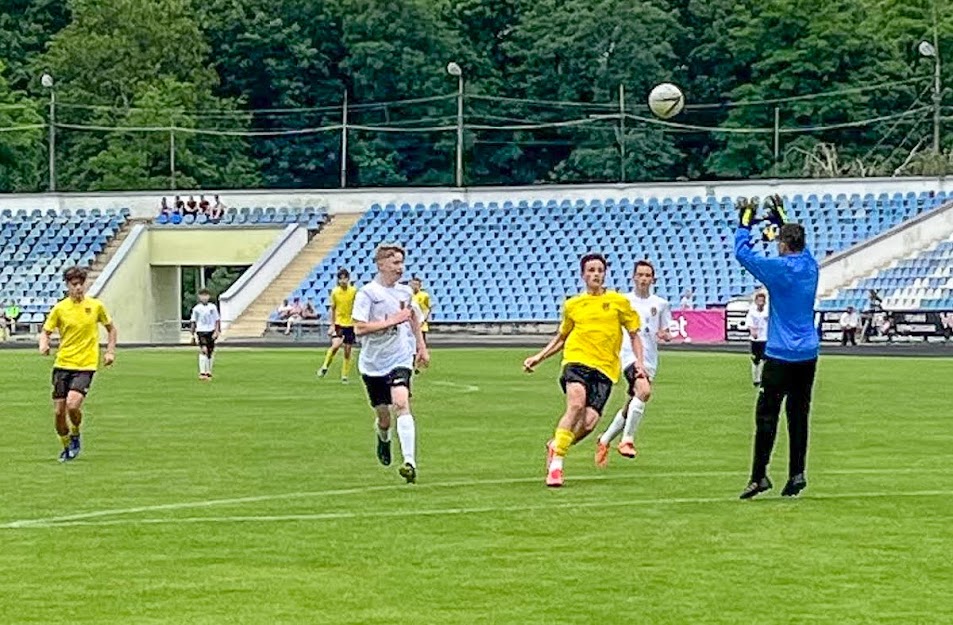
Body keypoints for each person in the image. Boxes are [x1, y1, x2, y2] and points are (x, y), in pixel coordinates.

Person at [523, 253, 646, 488]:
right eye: (591, 270)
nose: (595, 274)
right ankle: (556, 466)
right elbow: (562, 337)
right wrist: (539, 357)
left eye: (599, 270)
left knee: (589, 423)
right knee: (576, 404)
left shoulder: (618, 302)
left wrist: (639, 362)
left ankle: (556, 445)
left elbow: (634, 335)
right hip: (576, 361)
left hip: (606, 370)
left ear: (605, 274)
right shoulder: (573, 305)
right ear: (583, 275)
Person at [734, 195, 819, 499]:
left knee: (767, 415)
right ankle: (797, 473)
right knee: (798, 415)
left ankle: (759, 476)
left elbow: (742, 254)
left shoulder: (778, 268)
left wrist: (745, 220)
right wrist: (780, 215)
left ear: (783, 245)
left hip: (781, 353)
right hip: (808, 353)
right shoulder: (811, 264)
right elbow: (794, 237)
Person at [352, 244, 429, 483]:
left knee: (401, 402)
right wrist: (390, 321)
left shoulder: (405, 293)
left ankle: (409, 462)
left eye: (401, 263)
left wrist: (421, 346)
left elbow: (413, 317)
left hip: (400, 356)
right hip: (373, 363)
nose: (400, 268)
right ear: (381, 264)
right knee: (384, 416)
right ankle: (383, 437)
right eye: (395, 263)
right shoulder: (368, 294)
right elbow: (359, 328)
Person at [594, 260, 671, 466]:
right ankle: (627, 440)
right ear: (634, 277)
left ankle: (604, 440)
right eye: (641, 275)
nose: (644, 279)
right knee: (644, 392)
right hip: (629, 355)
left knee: (632, 404)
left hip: (650, 359)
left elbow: (665, 329)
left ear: (653, 279)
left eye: (648, 275)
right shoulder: (623, 301)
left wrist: (665, 334)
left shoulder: (661, 304)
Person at [38, 266, 117, 462]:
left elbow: (111, 329)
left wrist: (110, 351)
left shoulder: (96, 306)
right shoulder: (60, 308)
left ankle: (75, 434)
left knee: (73, 406)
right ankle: (66, 447)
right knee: (58, 412)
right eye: (75, 285)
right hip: (63, 363)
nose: (79, 288)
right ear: (67, 286)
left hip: (85, 364)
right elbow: (46, 331)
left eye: (81, 284)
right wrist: (44, 344)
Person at [319, 268, 358, 382]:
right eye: (340, 279)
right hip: (339, 323)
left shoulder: (354, 291)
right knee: (336, 345)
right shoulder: (335, 292)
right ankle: (325, 366)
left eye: (344, 278)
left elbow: (357, 307)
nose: (343, 281)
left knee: (347, 351)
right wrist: (332, 325)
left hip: (350, 324)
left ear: (348, 279)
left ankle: (344, 375)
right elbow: (333, 308)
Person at [190, 289, 221, 380]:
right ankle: (202, 372)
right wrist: (192, 334)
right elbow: (193, 321)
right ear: (199, 297)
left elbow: (217, 320)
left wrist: (216, 331)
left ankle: (208, 371)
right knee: (204, 350)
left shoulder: (212, 307)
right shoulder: (196, 308)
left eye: (206, 295)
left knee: (210, 351)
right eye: (202, 295)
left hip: (210, 330)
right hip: (201, 331)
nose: (204, 297)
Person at [746, 291, 769, 386]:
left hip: (765, 338)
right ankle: (756, 379)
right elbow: (749, 323)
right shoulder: (752, 311)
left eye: (762, 301)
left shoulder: (767, 311)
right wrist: (752, 331)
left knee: (765, 359)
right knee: (755, 359)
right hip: (755, 339)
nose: (761, 302)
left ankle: (763, 378)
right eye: (759, 300)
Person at [410, 276, 432, 373]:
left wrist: (423, 319)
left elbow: (427, 309)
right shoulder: (408, 295)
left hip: (421, 325)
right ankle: (411, 364)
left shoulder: (424, 295)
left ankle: (418, 366)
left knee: (420, 345)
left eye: (415, 284)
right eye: (412, 284)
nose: (413, 286)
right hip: (411, 326)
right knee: (410, 346)